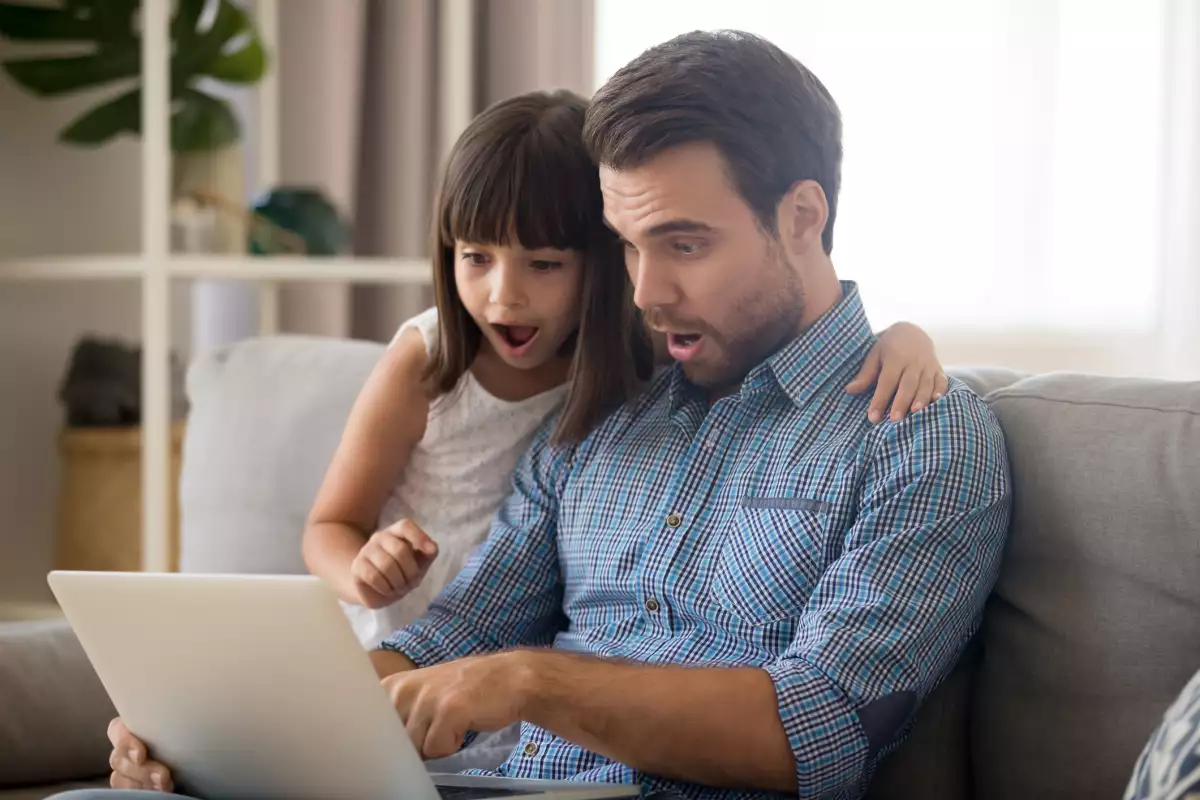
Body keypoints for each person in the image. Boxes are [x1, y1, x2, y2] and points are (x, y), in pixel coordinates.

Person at [94, 30, 1008, 800]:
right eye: (626, 247)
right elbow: (452, 638)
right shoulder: (600, 419)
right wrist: (215, 732)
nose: (647, 293)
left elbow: (822, 727)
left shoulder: (920, 439)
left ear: (802, 216)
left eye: (685, 244)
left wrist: (532, 682)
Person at [302, 90, 942, 647]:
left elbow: (782, 335)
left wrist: (902, 338)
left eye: (544, 264)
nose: (504, 296)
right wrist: (362, 570)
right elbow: (330, 524)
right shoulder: (431, 358)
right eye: (475, 257)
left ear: (603, 260)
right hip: (405, 626)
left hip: (520, 655)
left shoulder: (646, 346)